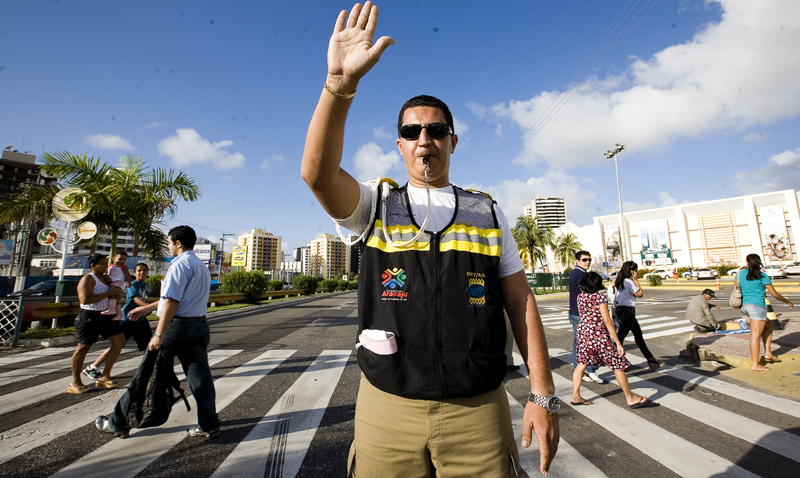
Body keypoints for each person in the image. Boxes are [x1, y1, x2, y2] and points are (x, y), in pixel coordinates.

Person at [300, 3, 558, 476]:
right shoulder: (373, 204)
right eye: (412, 131)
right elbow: (316, 175)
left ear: (452, 142)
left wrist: (542, 394)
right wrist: (339, 86)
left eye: (436, 130)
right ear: (400, 144)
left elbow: (520, 302)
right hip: (387, 407)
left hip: (478, 410)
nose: (425, 138)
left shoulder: (488, 212)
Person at [96, 225, 219, 438]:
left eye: (170, 243)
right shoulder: (200, 266)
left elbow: (172, 301)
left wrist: (159, 334)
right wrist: (147, 308)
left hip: (177, 327)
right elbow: (177, 299)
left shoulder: (179, 265)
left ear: (178, 243)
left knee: (143, 373)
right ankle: (209, 423)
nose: (168, 246)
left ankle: (116, 422)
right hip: (199, 326)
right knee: (200, 377)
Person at [571, 272, 648, 408]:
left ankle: (575, 395)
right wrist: (617, 342)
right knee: (617, 364)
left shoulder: (580, 297)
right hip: (599, 336)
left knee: (581, 364)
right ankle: (630, 398)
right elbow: (606, 320)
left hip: (583, 334)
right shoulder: (599, 298)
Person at [83, 263, 154, 379]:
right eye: (139, 270)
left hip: (141, 320)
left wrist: (147, 310)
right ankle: (93, 366)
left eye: (145, 270)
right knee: (118, 344)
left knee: (148, 345)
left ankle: (149, 369)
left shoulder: (145, 285)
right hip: (128, 320)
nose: (142, 272)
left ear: (147, 273)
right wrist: (150, 307)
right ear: (134, 273)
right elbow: (136, 299)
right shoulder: (132, 285)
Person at [68, 253, 126, 394]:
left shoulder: (107, 279)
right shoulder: (88, 279)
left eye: (106, 263)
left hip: (106, 315)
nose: (105, 266)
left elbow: (113, 291)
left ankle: (105, 375)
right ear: (93, 265)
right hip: (90, 315)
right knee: (83, 348)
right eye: (102, 264)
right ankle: (75, 381)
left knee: (119, 341)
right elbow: (85, 299)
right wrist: (108, 293)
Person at [740, 253, 793, 372]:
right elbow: (774, 294)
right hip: (757, 307)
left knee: (768, 326)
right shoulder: (762, 276)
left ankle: (768, 353)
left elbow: (737, 286)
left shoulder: (741, 274)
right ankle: (756, 365)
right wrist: (787, 301)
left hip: (746, 306)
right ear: (759, 262)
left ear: (747, 262)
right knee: (755, 336)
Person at [609, 261, 664, 371]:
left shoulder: (615, 282)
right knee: (620, 338)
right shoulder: (628, 282)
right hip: (627, 311)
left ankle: (650, 359)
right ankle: (614, 360)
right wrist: (636, 280)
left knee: (638, 334)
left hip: (617, 310)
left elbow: (611, 292)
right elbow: (639, 294)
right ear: (632, 271)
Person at [568, 251, 604, 384]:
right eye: (584, 260)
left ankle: (580, 370)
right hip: (581, 314)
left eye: (588, 260)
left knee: (578, 343)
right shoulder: (582, 274)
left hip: (575, 312)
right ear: (577, 261)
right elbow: (587, 293)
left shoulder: (574, 273)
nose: (587, 262)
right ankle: (589, 370)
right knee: (586, 344)